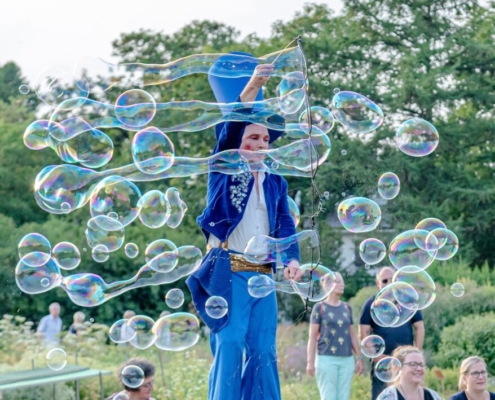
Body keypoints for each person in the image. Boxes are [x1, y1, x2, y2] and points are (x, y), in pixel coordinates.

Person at [186, 52, 302, 400]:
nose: (260, 145)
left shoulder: (275, 182)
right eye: (253, 138)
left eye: (265, 140)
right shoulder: (223, 168)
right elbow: (230, 128)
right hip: (229, 268)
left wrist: (291, 258)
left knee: (264, 350)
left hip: (263, 273)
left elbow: (284, 224)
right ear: (239, 142)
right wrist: (253, 86)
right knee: (232, 342)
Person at [359, 267, 425, 400]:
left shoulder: (407, 301)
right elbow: (363, 333)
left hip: (406, 363)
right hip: (382, 365)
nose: (389, 283)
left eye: (392, 279)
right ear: (378, 283)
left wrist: (416, 354)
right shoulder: (371, 304)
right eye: (384, 280)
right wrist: (378, 357)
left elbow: (420, 328)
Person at [306, 272, 364, 400]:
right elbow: (312, 337)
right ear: (327, 285)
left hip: (347, 360)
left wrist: (359, 358)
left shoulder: (347, 308)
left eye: (342, 281)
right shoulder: (319, 307)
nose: (342, 284)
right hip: (326, 360)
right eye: (338, 281)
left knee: (343, 397)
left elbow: (352, 336)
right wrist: (310, 362)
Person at [377, 346, 441, 400]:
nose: (419, 368)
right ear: (399, 367)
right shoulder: (388, 396)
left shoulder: (433, 396)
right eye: (413, 364)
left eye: (421, 364)